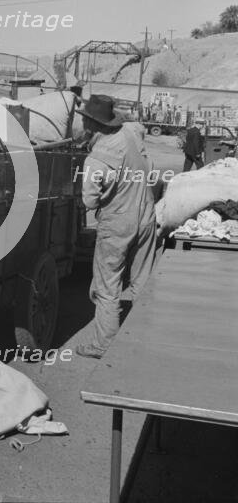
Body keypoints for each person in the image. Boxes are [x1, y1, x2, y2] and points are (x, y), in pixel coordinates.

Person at [75, 95, 157, 359]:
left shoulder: (97, 157)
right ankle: (145, 337)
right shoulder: (131, 137)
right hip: (146, 215)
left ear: (90, 124)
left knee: (107, 286)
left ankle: (103, 345)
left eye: (85, 120)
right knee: (143, 281)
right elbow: (150, 169)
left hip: (118, 221)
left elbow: (89, 201)